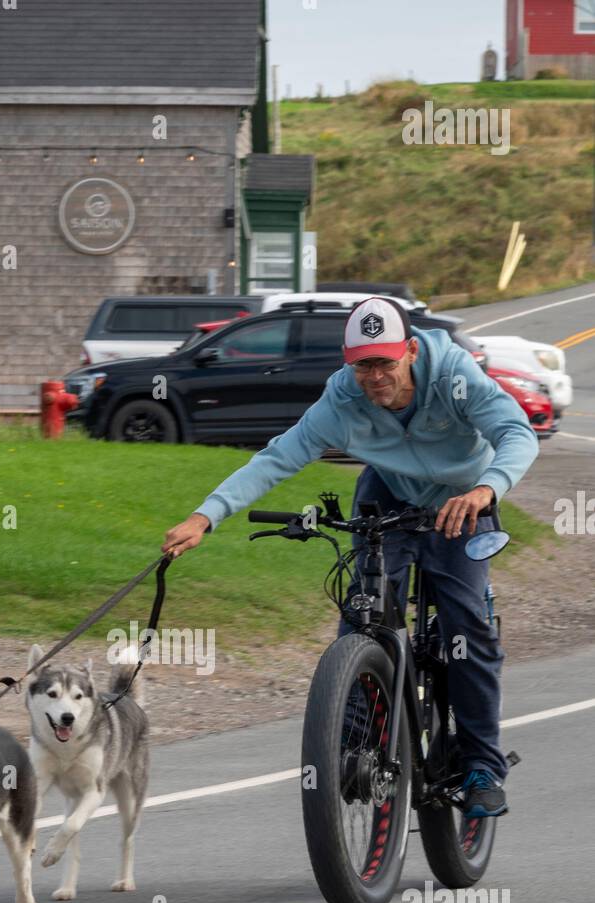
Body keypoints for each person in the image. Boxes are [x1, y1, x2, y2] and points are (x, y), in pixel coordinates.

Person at [162, 297, 539, 816]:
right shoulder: (342, 398)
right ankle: (355, 743)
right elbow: (278, 456)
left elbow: (516, 432)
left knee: (466, 627)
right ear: (349, 362)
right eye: (362, 364)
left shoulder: (452, 373)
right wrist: (205, 516)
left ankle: (481, 766)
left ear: (409, 350)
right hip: (388, 494)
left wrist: (487, 489)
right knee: (363, 612)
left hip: (463, 500)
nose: (375, 376)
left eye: (385, 361)